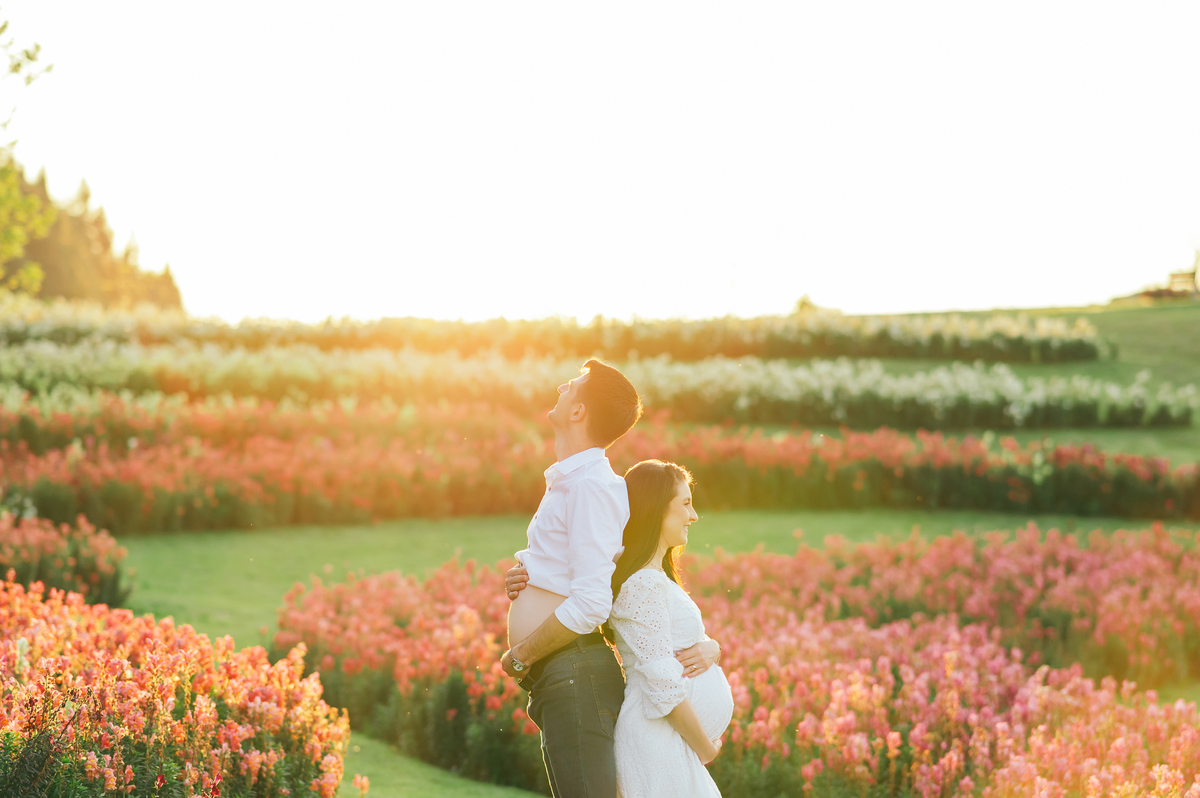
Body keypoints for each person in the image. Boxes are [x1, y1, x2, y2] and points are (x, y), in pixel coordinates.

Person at [500, 359, 642, 798]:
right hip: (565, 674)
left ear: (579, 411)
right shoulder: (573, 482)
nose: (561, 386)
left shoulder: (590, 486)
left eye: (572, 386)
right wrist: (528, 578)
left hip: (575, 672)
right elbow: (571, 570)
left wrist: (521, 654)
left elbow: (592, 602)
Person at [605, 459, 732, 798]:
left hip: (668, 742)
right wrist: (705, 748)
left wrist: (713, 648)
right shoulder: (643, 584)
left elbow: (671, 644)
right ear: (657, 509)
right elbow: (662, 682)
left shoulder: (654, 577)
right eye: (686, 504)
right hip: (658, 742)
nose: (693, 516)